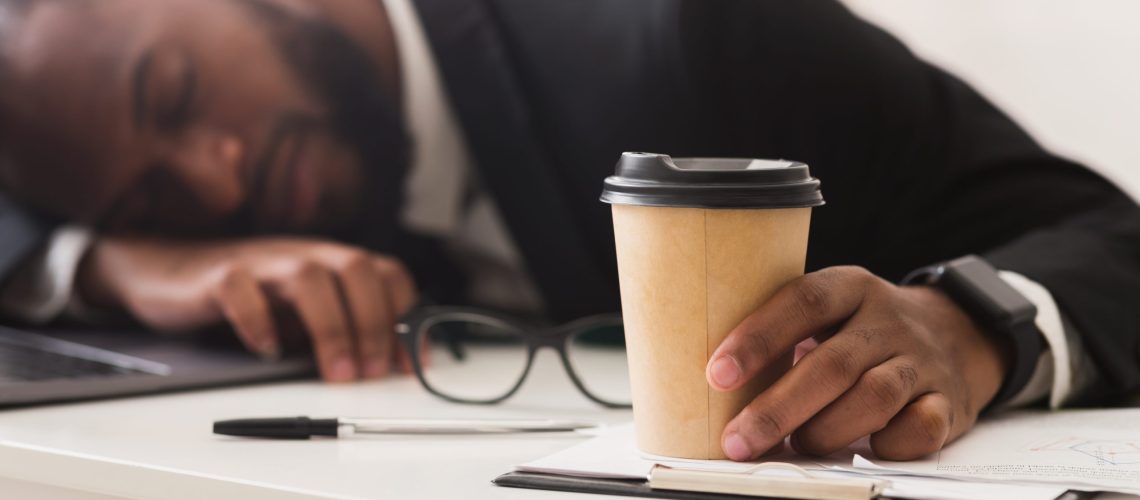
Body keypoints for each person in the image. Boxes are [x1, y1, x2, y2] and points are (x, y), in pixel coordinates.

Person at [1, 0, 1137, 462]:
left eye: (176, 93)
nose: (216, 175)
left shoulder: (694, 41)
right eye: (156, 198)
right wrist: (103, 259)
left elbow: (1108, 231)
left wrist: (965, 322)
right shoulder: (234, 205)